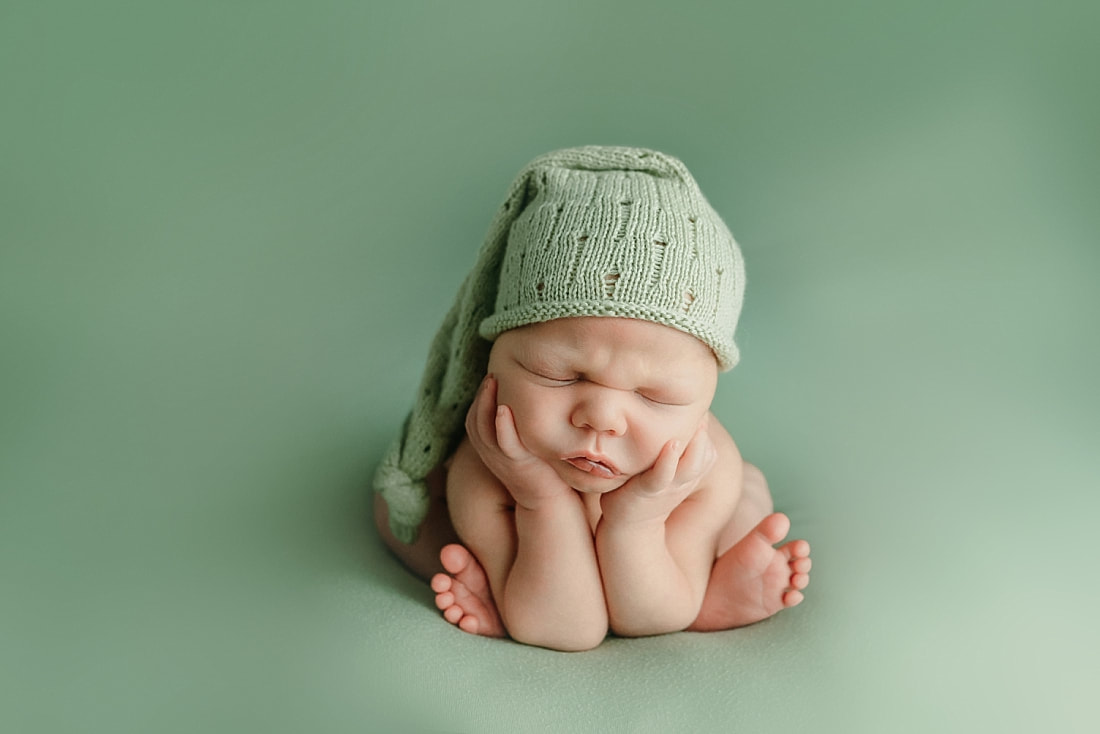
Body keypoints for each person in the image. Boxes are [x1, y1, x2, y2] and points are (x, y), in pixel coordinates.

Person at [373, 146, 811, 651]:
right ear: (490, 356)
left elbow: (652, 619)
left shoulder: (700, 469)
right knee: (413, 522)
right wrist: (540, 497)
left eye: (656, 395)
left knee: (747, 501)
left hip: (668, 532)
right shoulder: (488, 471)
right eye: (559, 375)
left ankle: (706, 591)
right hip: (518, 538)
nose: (602, 418)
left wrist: (636, 521)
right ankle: (506, 590)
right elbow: (567, 631)